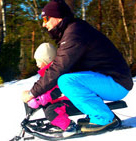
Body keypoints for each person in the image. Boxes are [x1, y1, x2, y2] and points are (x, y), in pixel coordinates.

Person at [22, 0, 133, 134]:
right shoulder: (73, 31)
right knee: (68, 79)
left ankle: (103, 118)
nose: (44, 24)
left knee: (66, 81)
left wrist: (33, 93)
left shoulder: (74, 33)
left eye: (46, 19)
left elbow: (58, 68)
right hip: (109, 81)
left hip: (116, 83)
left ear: (58, 17)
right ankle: (95, 113)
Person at [23, 43, 78, 136]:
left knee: (51, 111)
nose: (37, 64)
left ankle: (69, 125)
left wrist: (38, 100)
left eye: (39, 61)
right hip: (62, 101)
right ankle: (57, 123)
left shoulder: (56, 73)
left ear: (47, 60)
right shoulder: (48, 73)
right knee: (47, 107)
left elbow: (54, 92)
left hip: (71, 101)